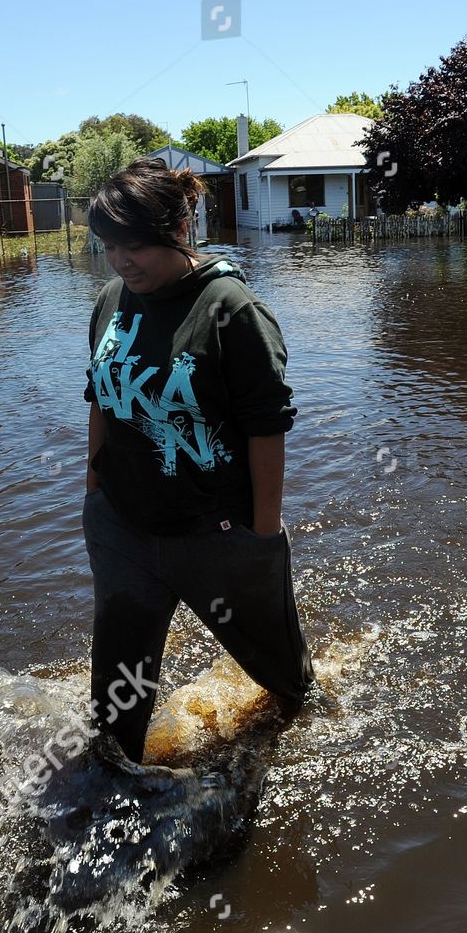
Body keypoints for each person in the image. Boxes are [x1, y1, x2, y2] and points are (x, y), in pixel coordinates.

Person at [82, 157, 314, 768]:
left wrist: (262, 538)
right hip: (125, 529)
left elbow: (267, 428)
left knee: (286, 682)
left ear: (178, 231)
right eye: (109, 247)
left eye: (136, 246)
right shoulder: (111, 300)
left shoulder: (229, 309)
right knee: (116, 705)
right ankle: (113, 804)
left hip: (218, 536)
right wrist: (94, 496)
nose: (122, 261)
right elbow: (100, 399)